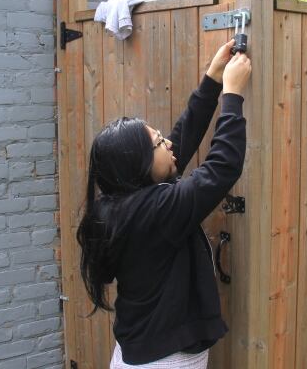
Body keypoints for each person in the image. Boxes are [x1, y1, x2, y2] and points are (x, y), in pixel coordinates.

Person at [76, 39, 251, 368]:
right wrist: (232, 95)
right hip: (166, 362)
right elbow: (221, 168)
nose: (167, 142)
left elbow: (179, 143)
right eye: (158, 142)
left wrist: (212, 79)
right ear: (139, 165)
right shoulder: (154, 211)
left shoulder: (119, 205)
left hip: (139, 352)